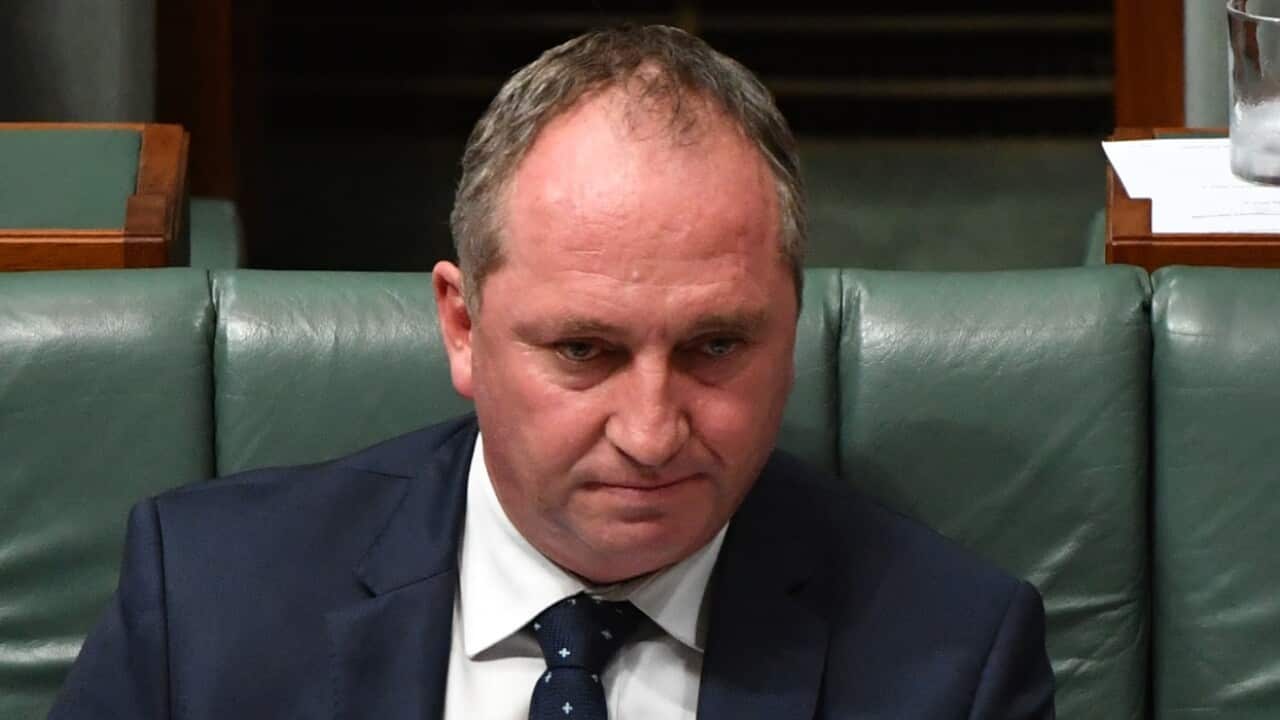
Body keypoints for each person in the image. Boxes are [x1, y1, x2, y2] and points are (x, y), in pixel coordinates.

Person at [49, 25, 1054, 719]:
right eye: (584, 351)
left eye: (715, 347)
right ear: (460, 326)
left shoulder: (950, 659)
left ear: (791, 329)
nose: (653, 433)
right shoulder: (209, 605)